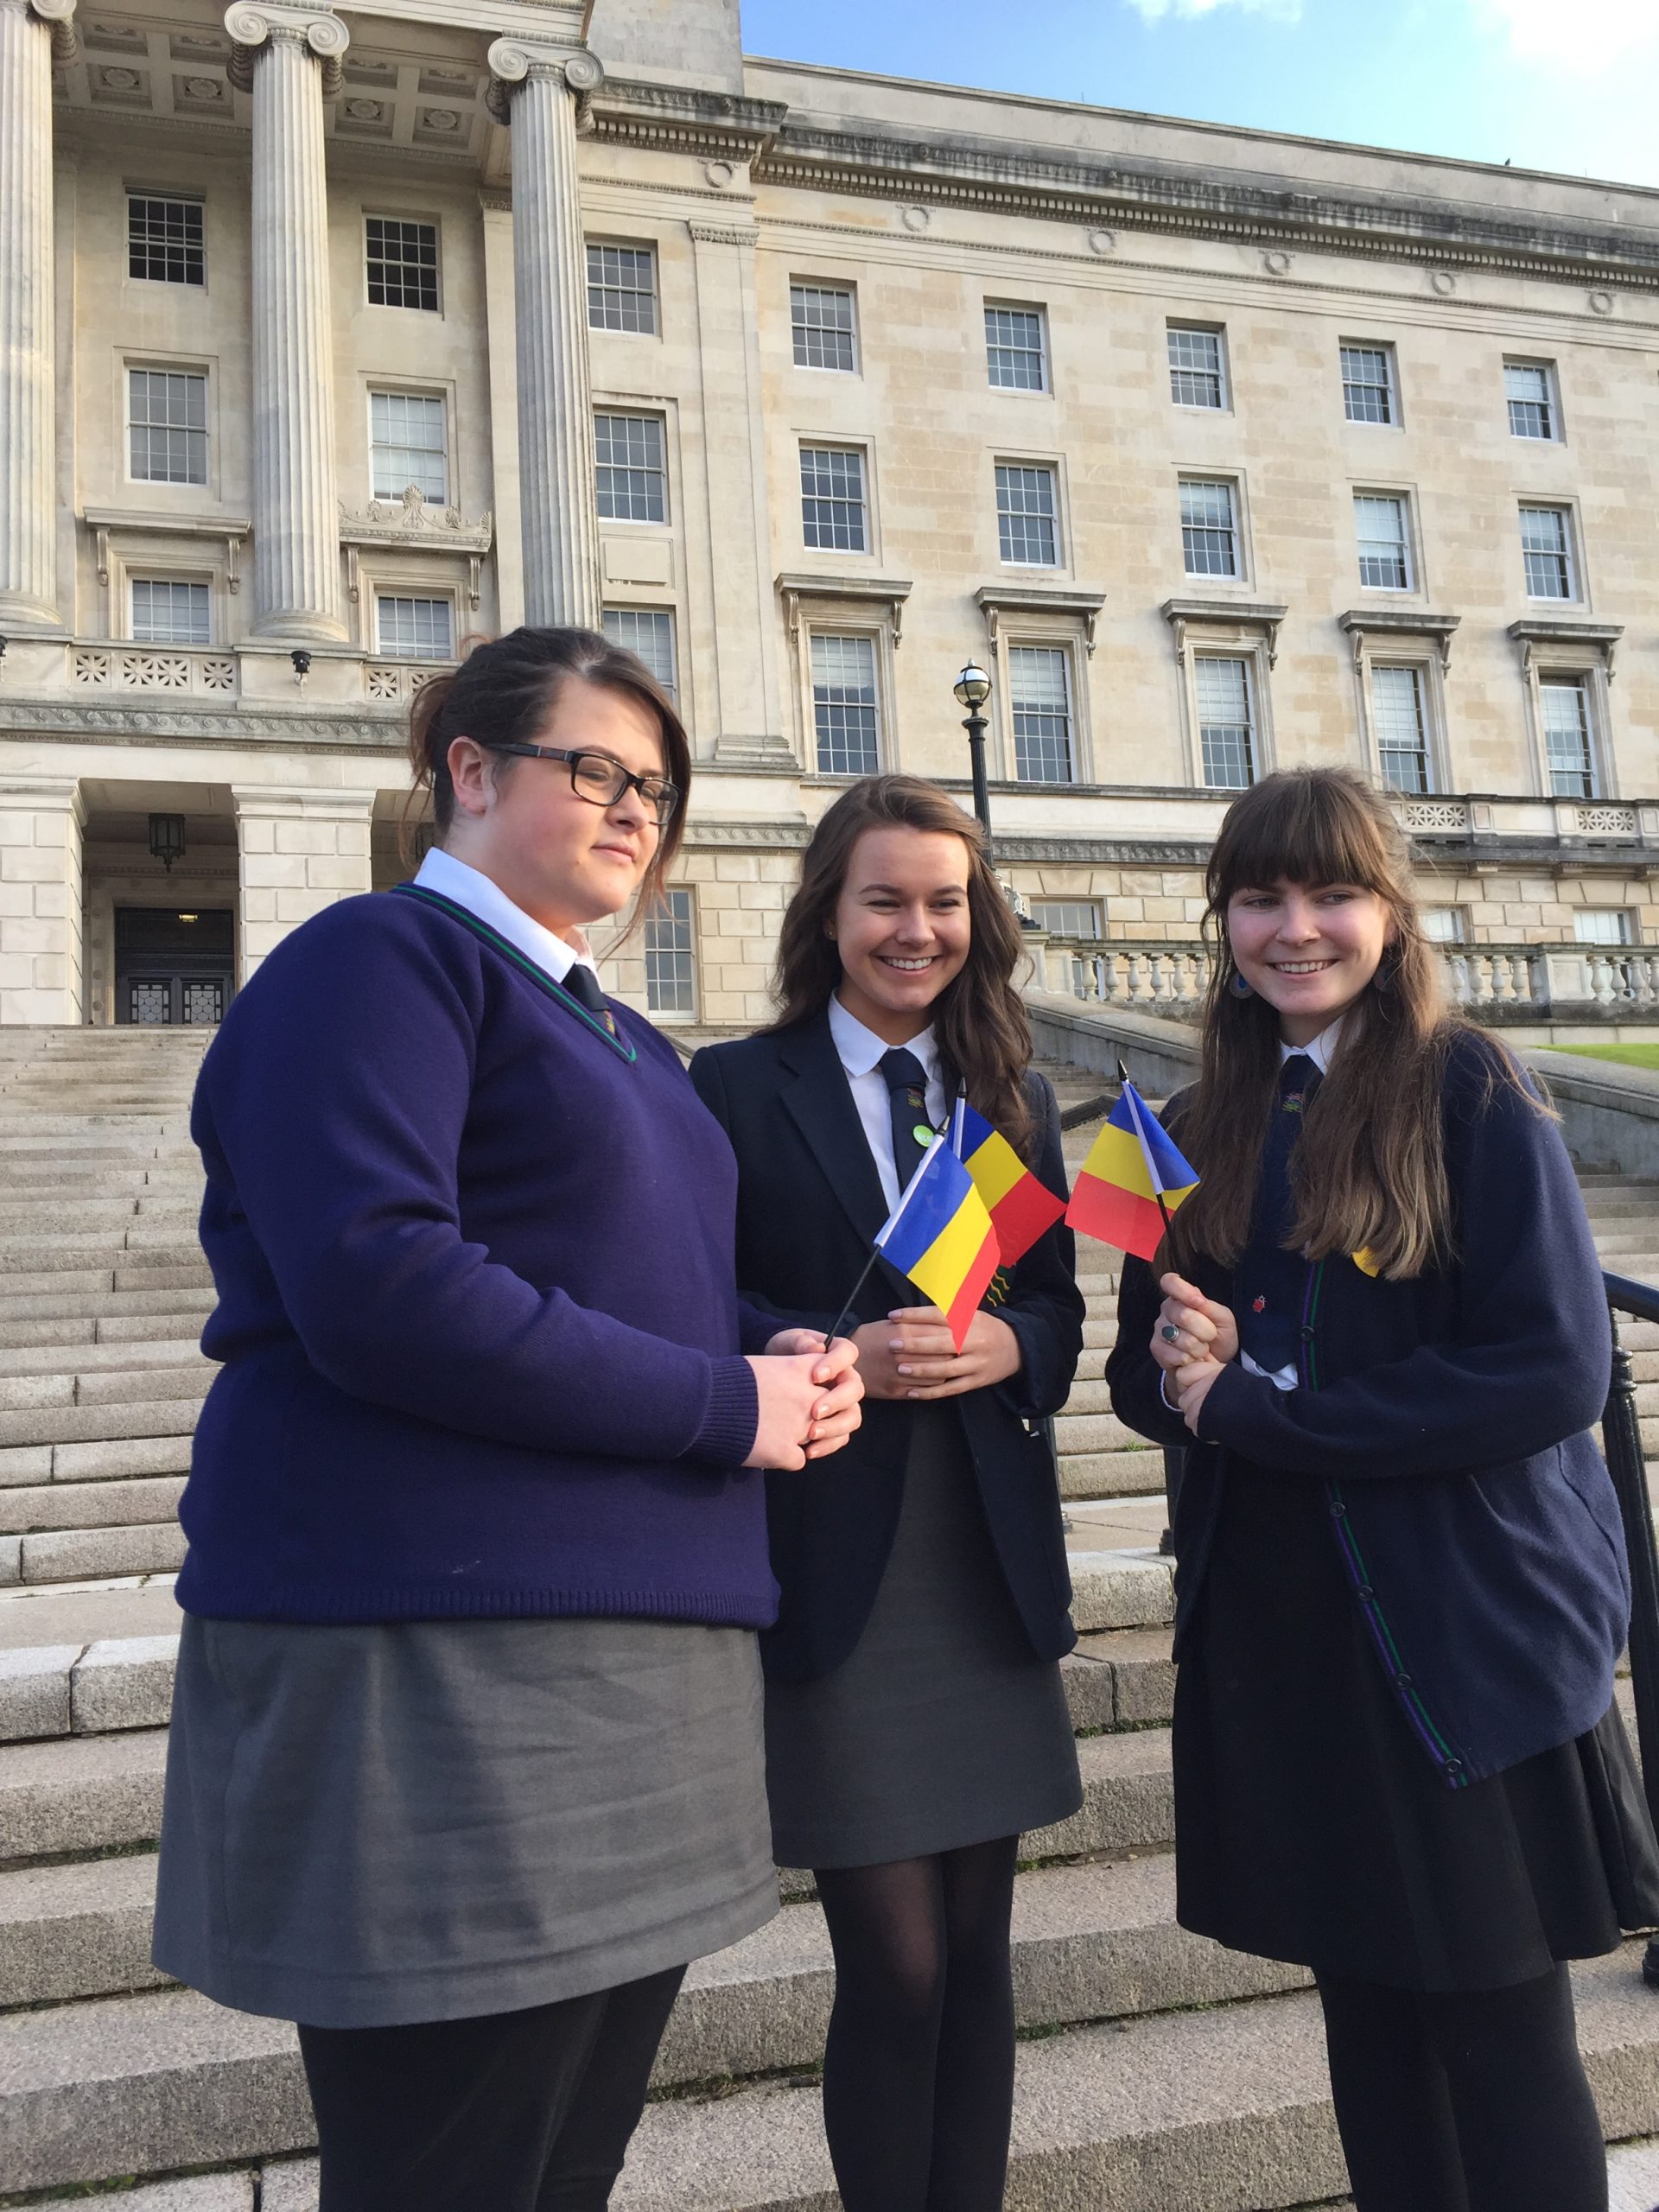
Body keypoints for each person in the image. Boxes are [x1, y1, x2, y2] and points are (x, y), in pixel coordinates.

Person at [151, 625, 863, 2212]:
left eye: (657, 790)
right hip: (447, 1654)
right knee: (452, 2167)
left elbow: (654, 1291)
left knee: (565, 2163)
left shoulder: (628, 1036)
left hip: (645, 1656)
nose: (635, 812)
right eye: (596, 770)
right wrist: (722, 1400)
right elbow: (382, 1283)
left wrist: (778, 1350)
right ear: (467, 771)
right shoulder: (376, 960)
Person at [1107, 766, 1659, 2212]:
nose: (1295, 928)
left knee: (1497, 2024)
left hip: (1453, 1629)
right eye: (1261, 898)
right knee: (1367, 2019)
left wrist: (1268, 1411)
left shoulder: (1471, 1088)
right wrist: (1177, 1358)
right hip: (1287, 1630)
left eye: (1332, 893)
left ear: (1390, 913)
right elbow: (1137, 1387)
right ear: (1223, 919)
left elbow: (1550, 1370)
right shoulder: (1192, 1120)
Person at [689, 773, 1084, 2212]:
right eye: (885, 901)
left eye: (944, 902)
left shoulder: (1008, 1096)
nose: (917, 930)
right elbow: (695, 1298)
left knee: (978, 1962)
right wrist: (821, 1347)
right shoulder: (735, 1088)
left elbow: (1056, 1309)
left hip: (983, 1561)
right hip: (841, 1562)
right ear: (829, 913)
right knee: (900, 1968)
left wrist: (1010, 1346)